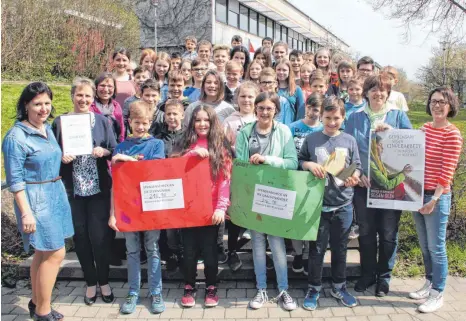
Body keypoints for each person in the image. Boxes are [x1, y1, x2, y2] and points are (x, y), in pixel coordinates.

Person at [3, 82, 73, 321]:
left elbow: (46, 156)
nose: (43, 108)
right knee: (55, 252)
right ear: (26, 105)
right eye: (37, 104)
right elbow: (16, 181)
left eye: (46, 103)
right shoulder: (16, 136)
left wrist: (60, 156)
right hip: (36, 200)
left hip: (55, 193)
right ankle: (43, 312)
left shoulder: (46, 129)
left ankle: (36, 302)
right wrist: (26, 213)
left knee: (43, 253)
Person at [345, 74, 412, 296]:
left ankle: (384, 277)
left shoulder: (398, 116)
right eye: (373, 88)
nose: (378, 92)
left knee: (388, 233)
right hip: (363, 187)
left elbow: (412, 147)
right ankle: (367, 275)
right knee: (366, 232)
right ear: (366, 92)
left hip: (391, 188)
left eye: (383, 89)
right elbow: (346, 150)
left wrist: (393, 134)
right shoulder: (354, 117)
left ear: (388, 92)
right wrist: (357, 172)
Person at [52, 77, 117, 305]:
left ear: (93, 98)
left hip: (98, 189)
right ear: (72, 96)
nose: (83, 99)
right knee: (80, 238)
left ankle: (104, 280)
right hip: (73, 190)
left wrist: (103, 151)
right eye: (79, 95)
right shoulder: (60, 123)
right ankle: (90, 283)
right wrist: (61, 157)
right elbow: (52, 154)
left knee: (100, 238)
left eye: (88, 96)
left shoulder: (102, 121)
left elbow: (114, 148)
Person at [235, 92, 298, 311]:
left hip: (276, 196)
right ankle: (261, 288)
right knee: (258, 245)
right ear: (255, 109)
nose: (264, 112)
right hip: (253, 195)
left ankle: (283, 290)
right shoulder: (245, 132)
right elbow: (240, 165)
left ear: (276, 111)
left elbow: (292, 163)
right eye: (260, 108)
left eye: (269, 108)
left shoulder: (284, 131)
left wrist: (267, 160)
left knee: (277, 244)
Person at [299, 96, 362, 310]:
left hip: (343, 205)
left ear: (343, 118)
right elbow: (299, 161)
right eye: (328, 117)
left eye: (336, 118)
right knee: (316, 249)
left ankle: (339, 286)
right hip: (318, 206)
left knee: (340, 248)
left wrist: (355, 175)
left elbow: (357, 166)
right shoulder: (312, 138)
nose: (332, 122)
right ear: (321, 116)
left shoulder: (349, 140)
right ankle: (314, 287)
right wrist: (308, 164)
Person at [108, 101, 166, 315]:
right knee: (132, 250)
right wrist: (112, 214)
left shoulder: (156, 145)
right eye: (137, 123)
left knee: (153, 250)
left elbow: (155, 172)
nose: (141, 127)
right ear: (129, 122)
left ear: (150, 123)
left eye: (145, 123)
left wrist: (128, 161)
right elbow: (116, 184)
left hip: (151, 207)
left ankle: (156, 291)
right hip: (128, 208)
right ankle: (133, 291)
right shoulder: (121, 147)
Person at [409, 87, 463, 313]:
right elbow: (408, 151)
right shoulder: (424, 129)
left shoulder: (452, 134)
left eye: (441, 101)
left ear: (450, 105)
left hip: (436, 196)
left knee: (436, 246)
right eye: (433, 101)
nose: (436, 105)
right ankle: (429, 282)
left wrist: (435, 199)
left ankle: (438, 292)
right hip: (417, 193)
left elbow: (447, 171)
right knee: (424, 245)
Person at [174, 105, 233, 308]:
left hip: (211, 210)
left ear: (212, 122)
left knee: (210, 252)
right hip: (188, 209)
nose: (202, 124)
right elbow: (173, 170)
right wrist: (190, 154)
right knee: (188, 251)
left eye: (206, 120)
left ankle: (211, 286)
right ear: (192, 123)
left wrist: (221, 207)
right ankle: (189, 285)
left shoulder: (220, 145)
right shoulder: (184, 143)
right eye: (198, 120)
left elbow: (225, 180)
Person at [223, 81, 260, 271]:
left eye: (250, 96)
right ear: (237, 98)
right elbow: (223, 147)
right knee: (236, 213)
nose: (246, 100)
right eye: (243, 96)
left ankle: (258, 252)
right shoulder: (229, 121)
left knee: (256, 213)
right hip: (236, 172)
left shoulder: (261, 118)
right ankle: (231, 252)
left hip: (257, 175)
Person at [288, 93, 324, 275]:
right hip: (295, 178)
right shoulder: (293, 128)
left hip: (315, 182)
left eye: (316, 109)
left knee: (311, 221)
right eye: (310, 108)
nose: (312, 112)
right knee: (296, 221)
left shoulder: (324, 129)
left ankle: (310, 254)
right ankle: (298, 253)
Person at [156, 99, 186, 271]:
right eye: (169, 114)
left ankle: (184, 252)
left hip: (184, 185)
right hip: (165, 186)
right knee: (168, 224)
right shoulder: (159, 137)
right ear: (164, 116)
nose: (172, 117)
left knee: (182, 223)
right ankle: (172, 253)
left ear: (182, 115)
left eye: (175, 114)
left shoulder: (189, 136)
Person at [90, 72, 125, 142]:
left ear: (114, 89)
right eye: (102, 85)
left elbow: (121, 128)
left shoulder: (116, 106)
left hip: (114, 144)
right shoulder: (90, 106)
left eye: (110, 86)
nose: (106, 89)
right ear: (96, 87)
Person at [123, 67, 152, 133]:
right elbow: (125, 121)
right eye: (138, 77)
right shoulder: (129, 101)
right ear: (134, 80)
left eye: (144, 77)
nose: (141, 79)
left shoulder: (151, 99)